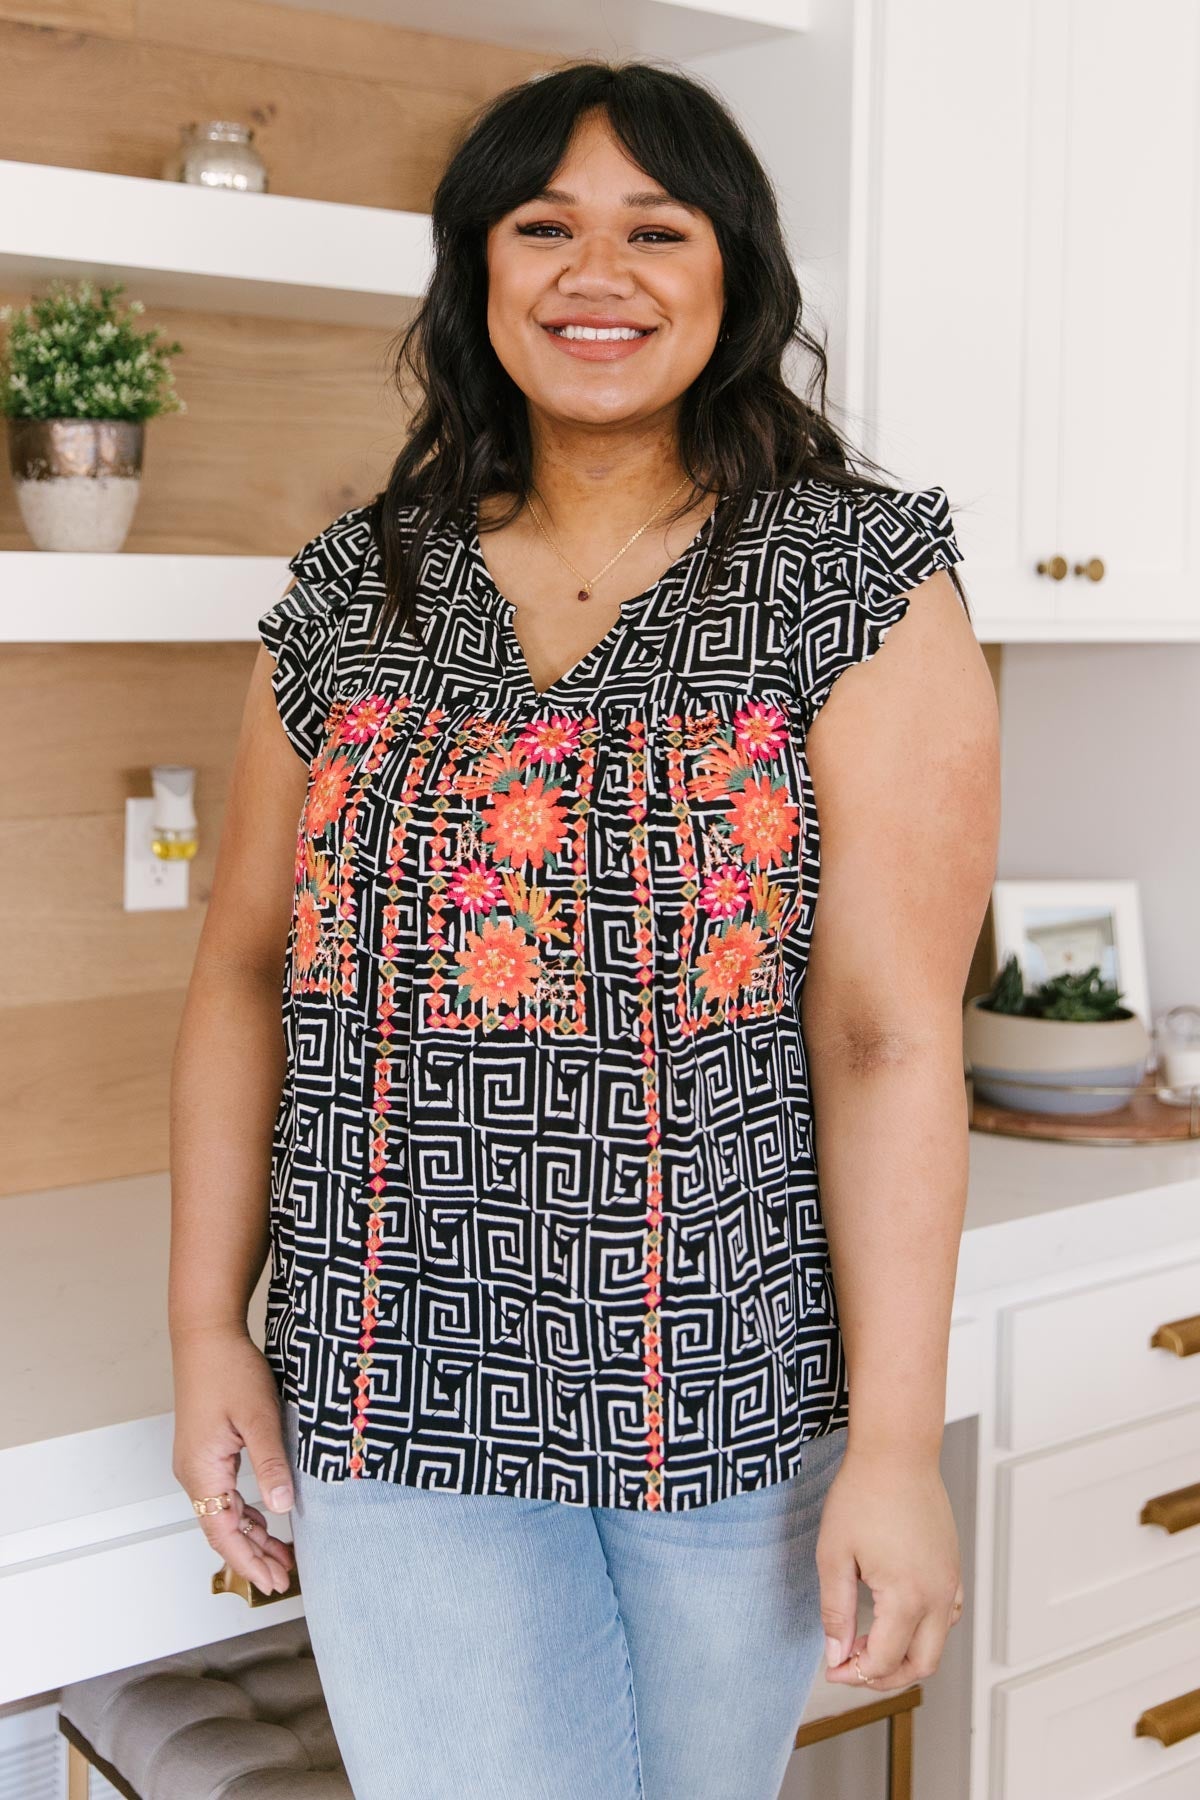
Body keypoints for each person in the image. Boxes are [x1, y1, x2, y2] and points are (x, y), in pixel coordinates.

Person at [169, 58, 999, 1800]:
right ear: (480, 269)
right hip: (394, 1375)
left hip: (728, 1394)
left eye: (654, 227)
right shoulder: (354, 585)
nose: (592, 272)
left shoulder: (854, 575)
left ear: (735, 274)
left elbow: (890, 1033)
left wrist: (899, 1442)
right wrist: (206, 1329)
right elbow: (247, 963)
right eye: (542, 226)